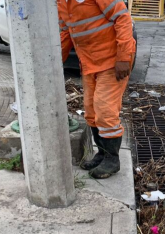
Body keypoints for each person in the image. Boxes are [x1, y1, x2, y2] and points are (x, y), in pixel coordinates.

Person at [58, 0, 136, 179]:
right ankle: (102, 154)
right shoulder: (61, 3)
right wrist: (55, 61)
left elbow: (122, 18)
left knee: (105, 109)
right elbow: (66, 33)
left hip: (113, 61)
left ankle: (112, 159)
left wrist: (124, 57)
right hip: (89, 63)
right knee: (91, 111)